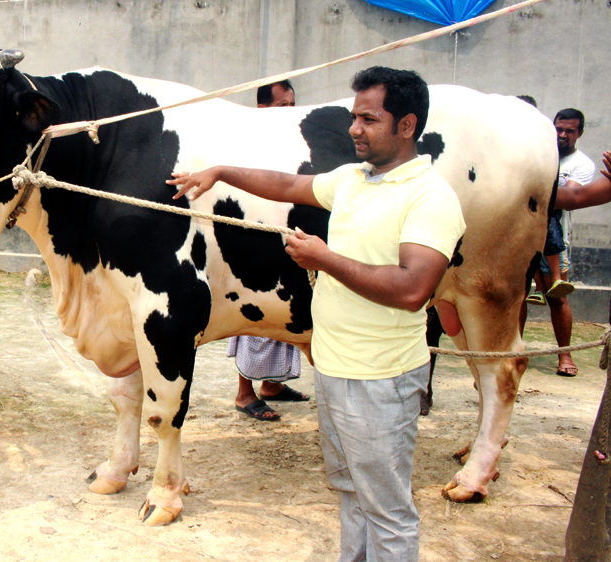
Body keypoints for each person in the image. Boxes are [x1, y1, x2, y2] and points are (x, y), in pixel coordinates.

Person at [168, 66, 465, 561]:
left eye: (369, 119)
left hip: (382, 378)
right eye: (354, 117)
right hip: (334, 368)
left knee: (387, 509)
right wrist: (220, 172)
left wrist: (323, 258)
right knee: (350, 492)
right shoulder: (353, 179)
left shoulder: (429, 196)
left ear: (407, 125)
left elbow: (414, 289)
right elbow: (286, 185)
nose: (354, 128)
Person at [231, 80, 309, 422]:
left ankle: (273, 386)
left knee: (286, 311)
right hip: (254, 239)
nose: (289, 111)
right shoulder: (247, 140)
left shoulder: (292, 139)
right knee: (253, 314)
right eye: (282, 106)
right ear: (263, 109)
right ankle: (244, 393)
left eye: (293, 103)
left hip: (286, 230)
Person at [532, 109, 595, 377]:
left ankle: (565, 355)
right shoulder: (539, 155)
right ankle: (511, 352)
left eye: (570, 131)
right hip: (522, 238)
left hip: (555, 239)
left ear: (579, 133)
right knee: (518, 298)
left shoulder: (583, 164)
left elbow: (568, 196)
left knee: (557, 298)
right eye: (559, 129)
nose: (563, 135)